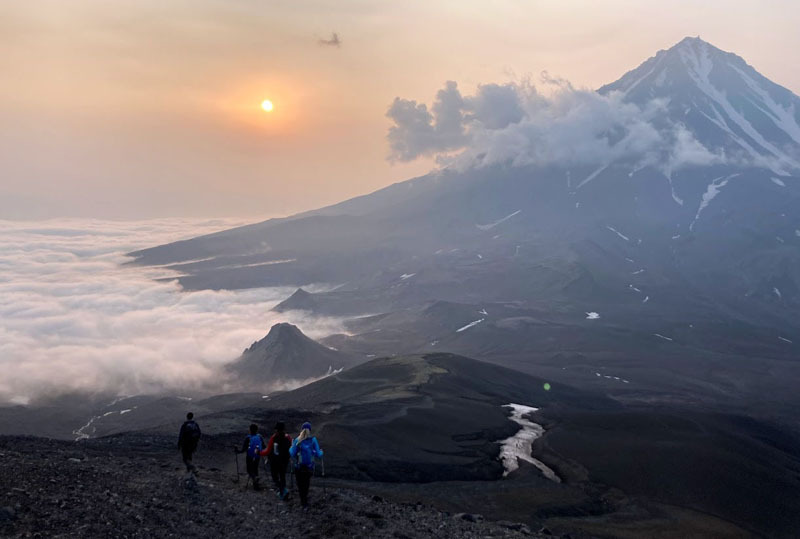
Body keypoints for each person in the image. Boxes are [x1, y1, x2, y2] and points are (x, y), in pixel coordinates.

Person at [289, 421, 323, 508]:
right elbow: (318, 454)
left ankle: (302, 500)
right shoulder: (313, 440)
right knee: (306, 483)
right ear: (310, 430)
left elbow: (292, 453)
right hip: (309, 467)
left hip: (299, 467)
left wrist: (291, 446)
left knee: (300, 484)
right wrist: (321, 452)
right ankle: (305, 501)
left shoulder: (297, 440)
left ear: (301, 430)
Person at [259, 421, 293, 499]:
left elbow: (267, 451)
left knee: (275, 477)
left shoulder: (274, 438)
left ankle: (283, 491)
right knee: (282, 476)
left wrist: (259, 453)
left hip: (275, 462)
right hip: (284, 461)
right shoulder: (288, 438)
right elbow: (292, 449)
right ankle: (283, 492)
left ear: (277, 430)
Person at [235, 423, 266, 490]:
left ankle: (254, 478)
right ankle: (256, 485)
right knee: (255, 469)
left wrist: (237, 451)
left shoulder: (248, 438)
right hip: (257, 455)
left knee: (249, 470)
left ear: (250, 430)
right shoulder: (260, 436)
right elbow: (264, 446)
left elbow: (243, 449)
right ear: (257, 430)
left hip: (250, 456)